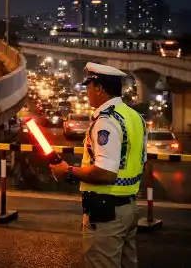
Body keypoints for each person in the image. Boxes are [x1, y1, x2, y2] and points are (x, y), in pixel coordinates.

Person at [50, 62, 147, 268]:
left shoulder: (106, 121)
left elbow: (105, 173)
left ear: (99, 88)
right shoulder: (134, 117)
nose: (87, 92)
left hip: (107, 213)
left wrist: (68, 170)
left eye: (88, 87)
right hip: (129, 207)